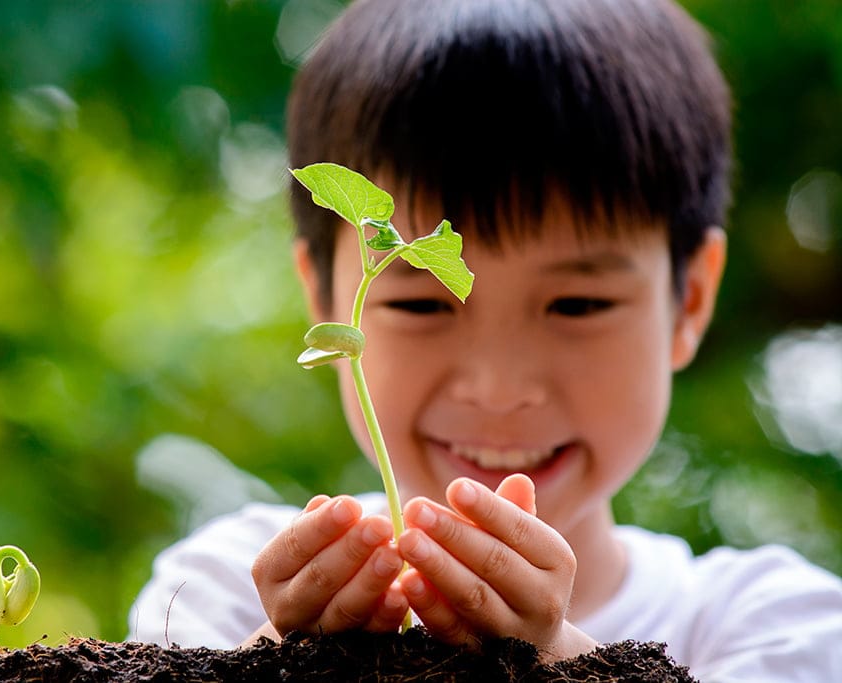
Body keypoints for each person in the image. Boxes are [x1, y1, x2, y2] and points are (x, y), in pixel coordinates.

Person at [130, 0, 842, 677]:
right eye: (420, 305)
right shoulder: (222, 588)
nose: (500, 386)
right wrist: (279, 660)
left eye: (578, 302)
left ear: (688, 302)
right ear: (322, 295)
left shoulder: (774, 623)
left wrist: (560, 661)